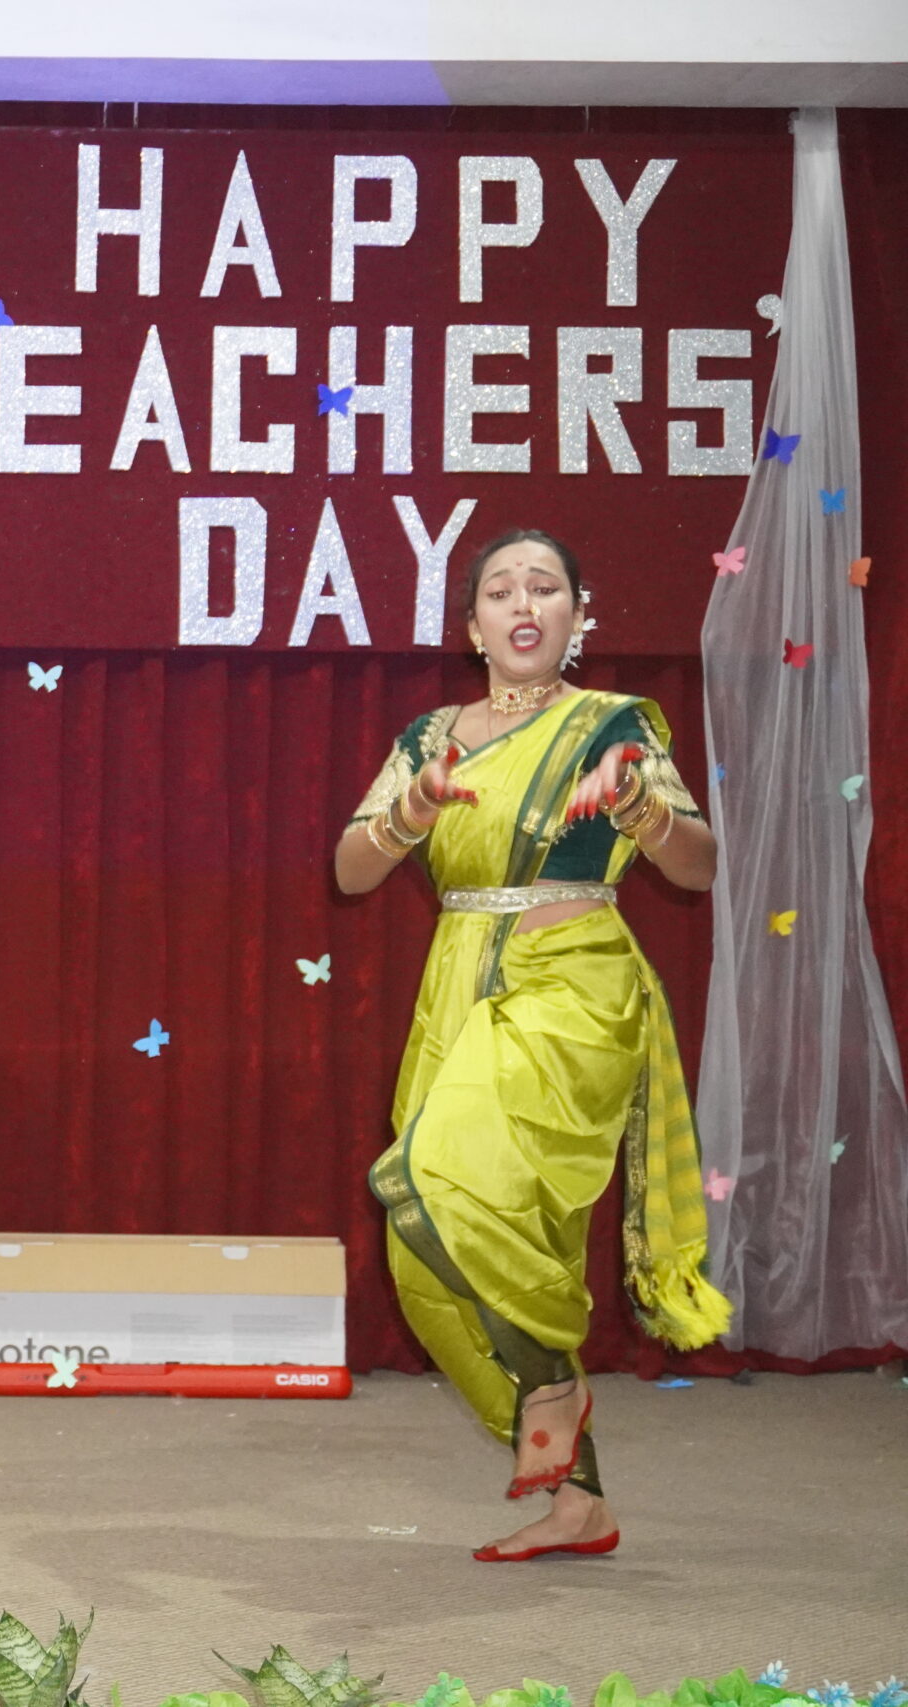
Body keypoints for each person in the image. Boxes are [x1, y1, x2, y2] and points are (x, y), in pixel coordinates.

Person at [334, 529, 732, 1563]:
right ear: (473, 627)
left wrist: (638, 806)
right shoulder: (433, 737)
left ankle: (553, 1389)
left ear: (576, 616)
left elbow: (697, 868)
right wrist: (410, 810)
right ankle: (579, 1502)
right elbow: (350, 870)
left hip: (575, 986)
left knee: (432, 1177)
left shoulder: (611, 727)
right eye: (500, 590)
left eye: (544, 587)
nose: (523, 602)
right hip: (459, 990)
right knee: (426, 1243)